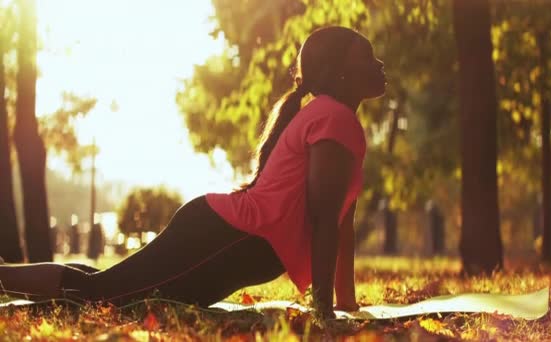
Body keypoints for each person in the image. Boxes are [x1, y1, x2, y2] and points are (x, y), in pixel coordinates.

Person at [0, 26, 386, 320]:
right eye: (367, 56)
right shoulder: (333, 119)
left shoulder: (336, 122)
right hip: (224, 237)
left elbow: (339, 222)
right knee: (102, 296)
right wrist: (324, 315)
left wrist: (345, 307)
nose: (379, 64)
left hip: (226, 236)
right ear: (338, 73)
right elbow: (322, 221)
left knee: (108, 289)